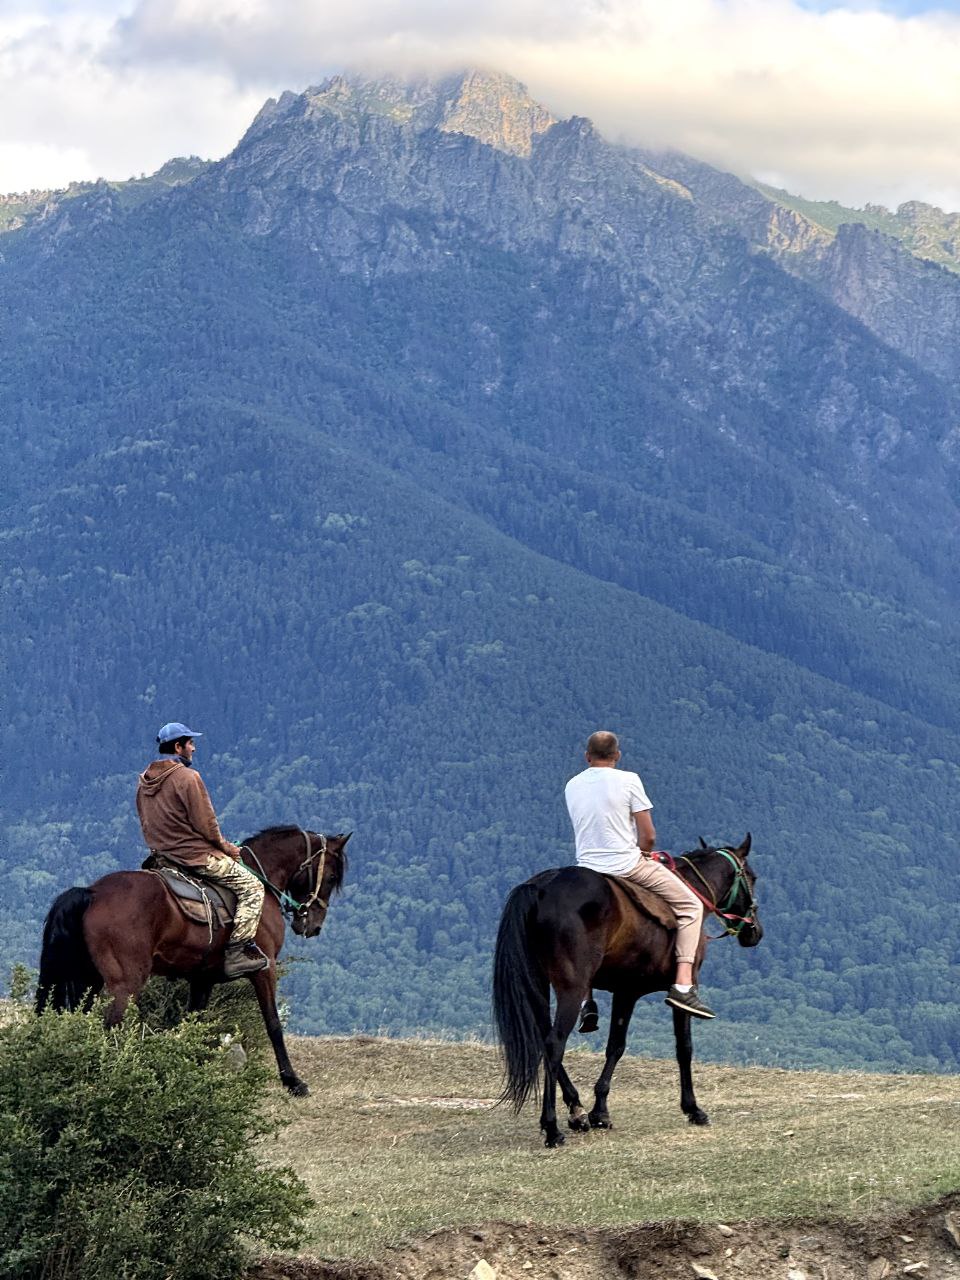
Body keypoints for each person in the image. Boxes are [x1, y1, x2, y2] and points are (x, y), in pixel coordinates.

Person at [563, 730, 715, 1024]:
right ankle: (683, 984)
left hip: (586, 868)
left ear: (587, 757)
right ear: (617, 756)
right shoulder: (629, 780)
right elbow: (649, 835)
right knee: (691, 907)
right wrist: (644, 853)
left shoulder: (572, 785)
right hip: (627, 864)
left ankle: (585, 999)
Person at [136, 721, 269, 979]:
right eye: (191, 743)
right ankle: (238, 951)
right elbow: (207, 825)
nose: (194, 748)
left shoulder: (144, 782)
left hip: (162, 859)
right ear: (178, 746)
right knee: (253, 887)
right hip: (195, 858)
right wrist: (228, 848)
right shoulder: (188, 778)